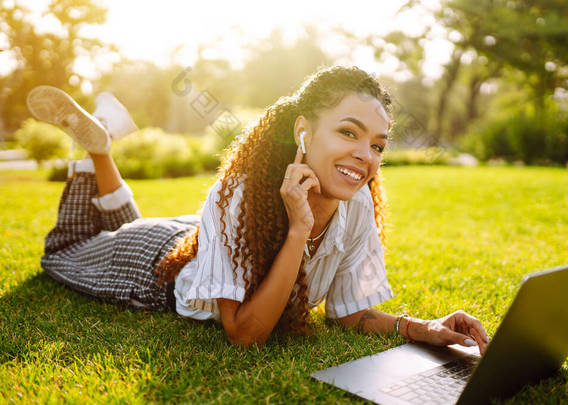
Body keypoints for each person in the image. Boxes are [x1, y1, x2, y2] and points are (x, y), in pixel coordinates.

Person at [31, 65, 489, 352]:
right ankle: (94, 154)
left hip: (199, 237)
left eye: (377, 145)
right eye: (348, 133)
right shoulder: (238, 194)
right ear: (303, 131)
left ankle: (101, 150)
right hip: (156, 268)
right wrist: (297, 231)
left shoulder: (357, 206)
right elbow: (246, 334)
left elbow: (348, 312)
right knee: (67, 250)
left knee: (125, 223)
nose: (365, 156)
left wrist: (425, 328)